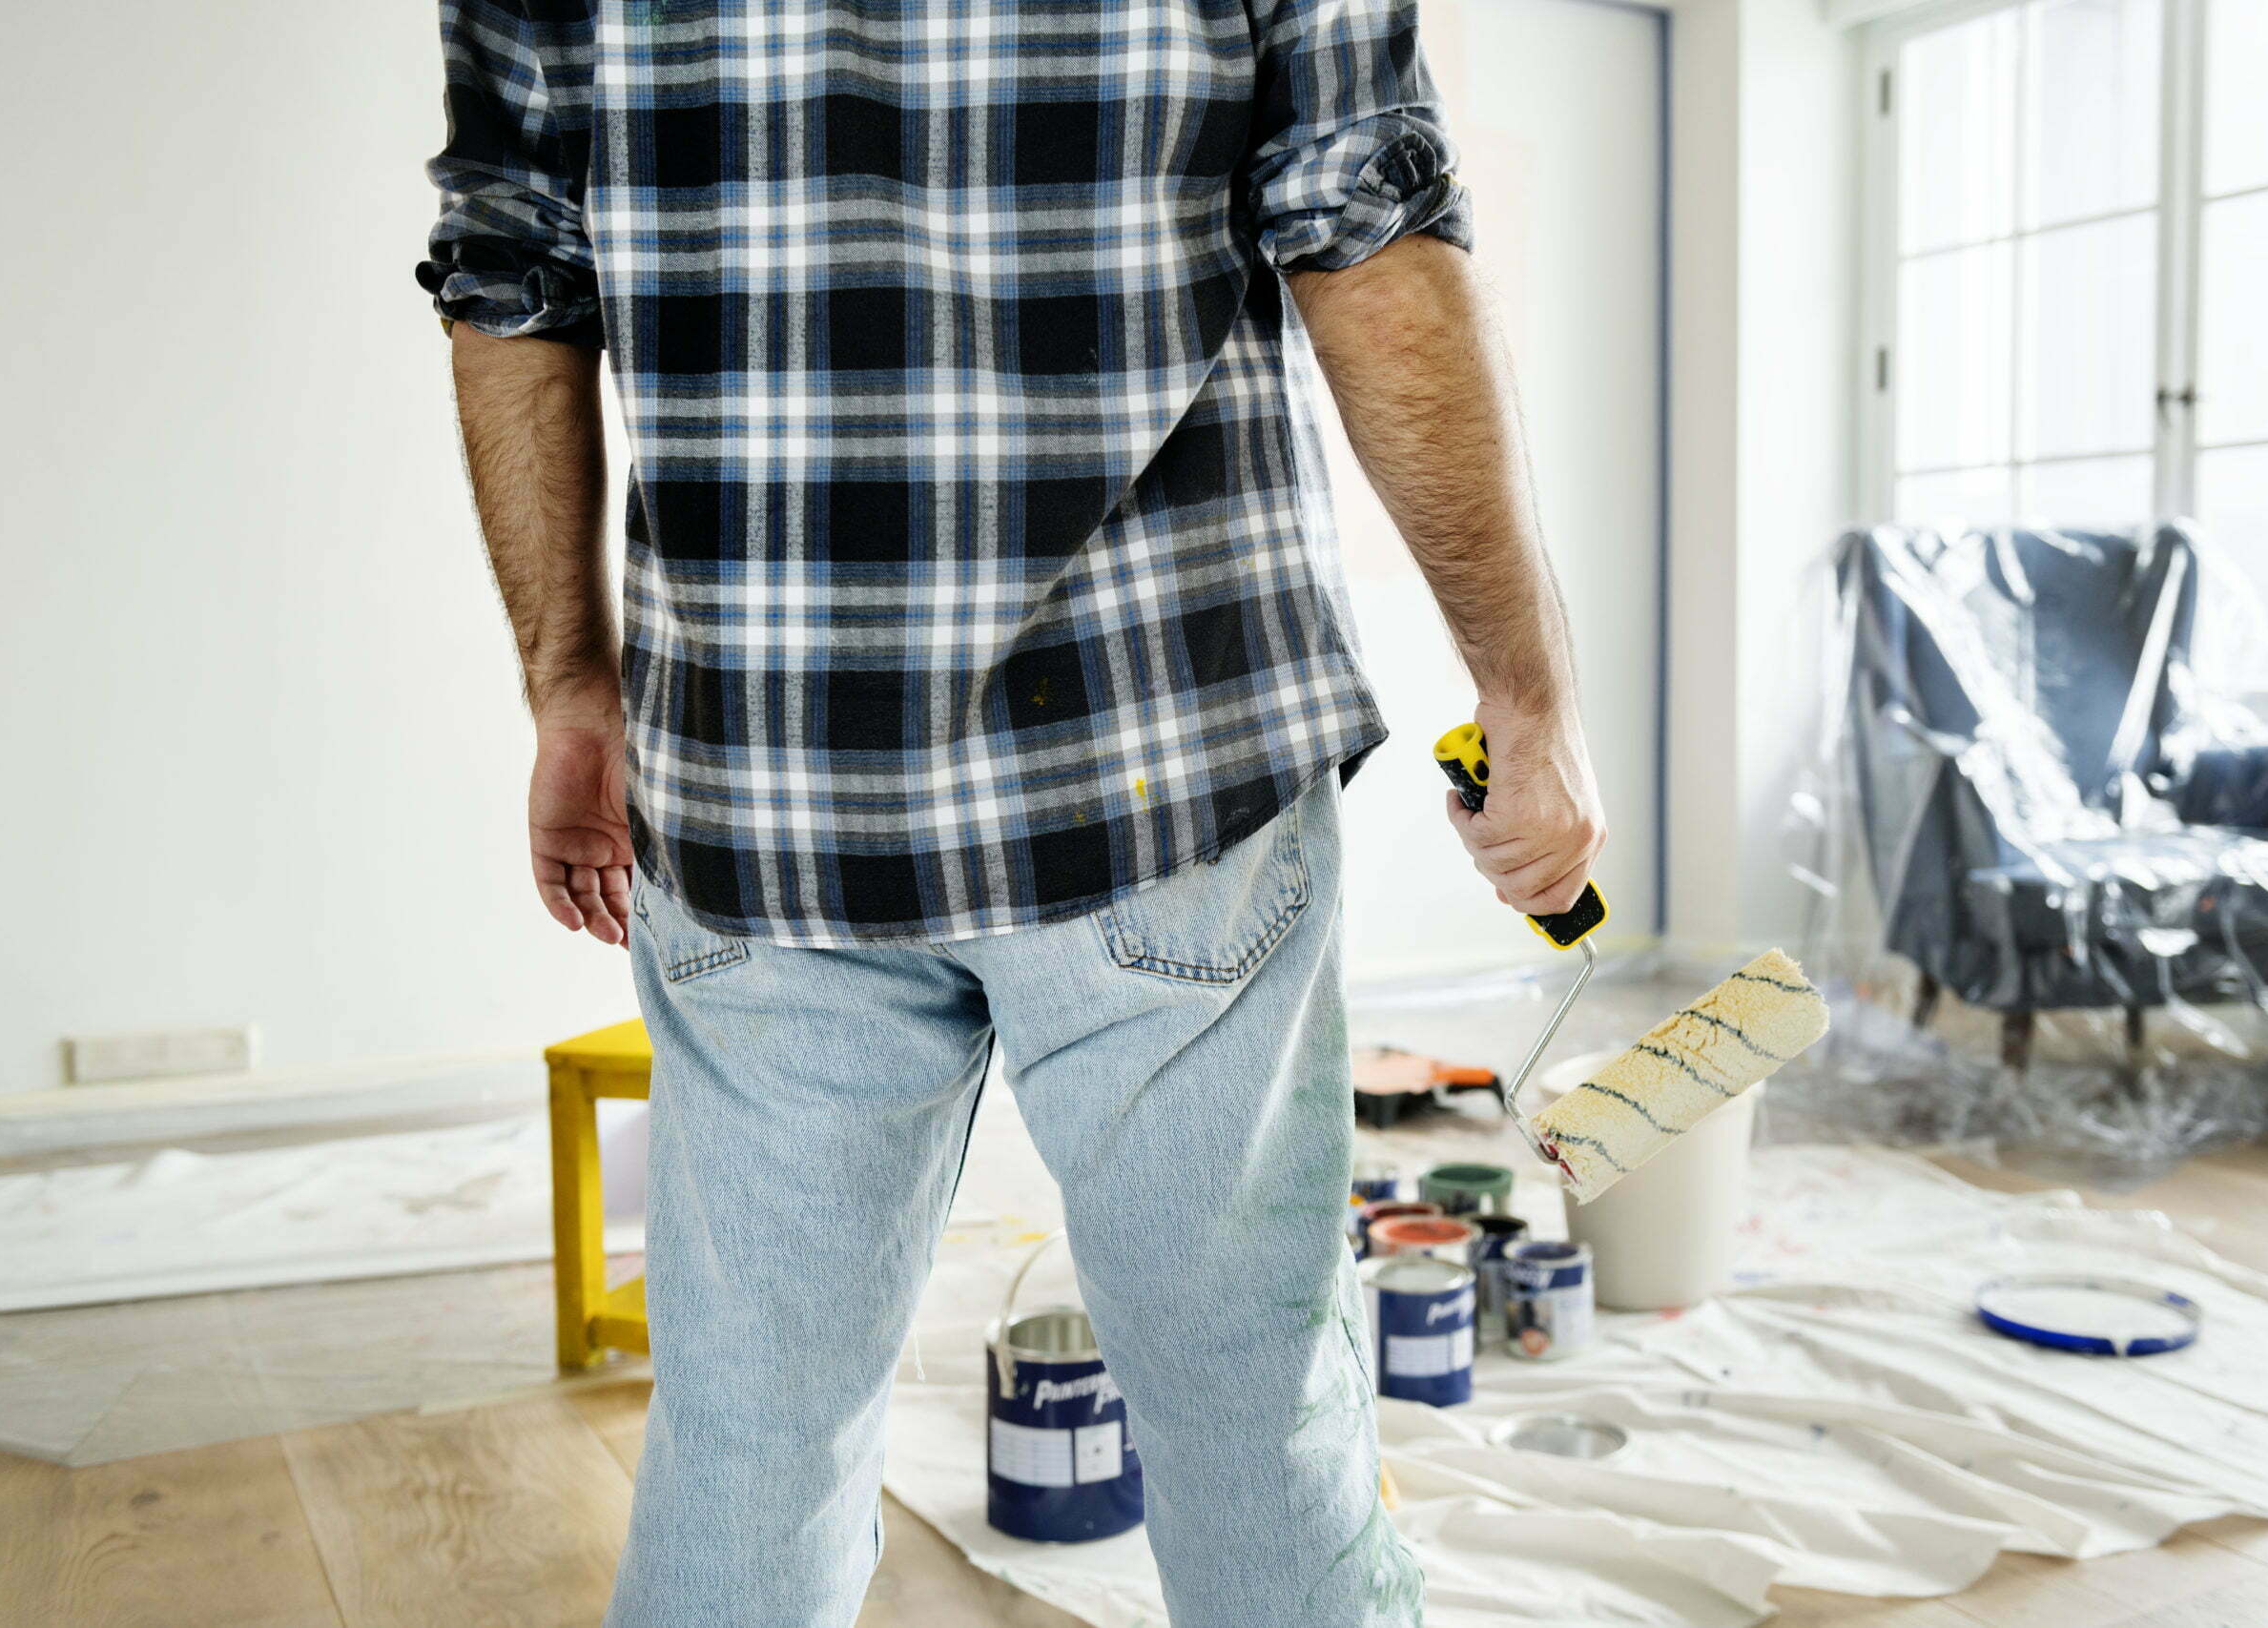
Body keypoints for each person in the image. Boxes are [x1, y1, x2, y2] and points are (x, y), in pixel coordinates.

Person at [421, 1, 1604, 1621]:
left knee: (752, 1436)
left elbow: (513, 275)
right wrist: (1526, 696)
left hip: (761, 789)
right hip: (1163, 757)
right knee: (1252, 1412)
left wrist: (571, 687)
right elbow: (1366, 226)